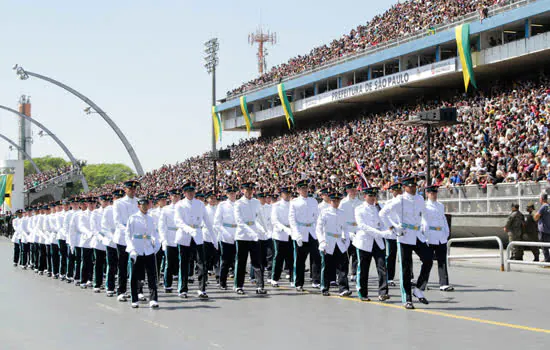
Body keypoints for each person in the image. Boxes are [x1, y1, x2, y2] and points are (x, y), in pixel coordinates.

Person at [380, 176, 433, 310]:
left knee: (428, 259)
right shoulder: (400, 200)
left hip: (417, 235)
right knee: (405, 268)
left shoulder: (420, 199)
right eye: (411, 186)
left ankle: (419, 288)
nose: (413, 188)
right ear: (405, 187)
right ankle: (407, 298)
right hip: (404, 236)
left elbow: (424, 215)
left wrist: (425, 231)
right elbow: (383, 214)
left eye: (415, 186)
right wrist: (393, 227)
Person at [175, 181, 213, 299]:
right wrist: (188, 229)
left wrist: (214, 237)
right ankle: (183, 289)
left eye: (192, 191)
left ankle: (202, 289)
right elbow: (178, 221)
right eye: (188, 191)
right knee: (184, 264)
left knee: (201, 263)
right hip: (185, 235)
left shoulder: (200, 204)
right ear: (184, 193)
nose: (190, 193)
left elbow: (207, 221)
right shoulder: (180, 205)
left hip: (197, 235)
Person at [354, 186, 393, 301]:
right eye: (370, 195)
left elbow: (384, 222)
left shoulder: (379, 208)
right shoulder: (359, 209)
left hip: (378, 242)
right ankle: (362, 292)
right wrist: (380, 233)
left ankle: (383, 292)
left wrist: (389, 231)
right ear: (365, 196)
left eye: (374, 195)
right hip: (365, 241)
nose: (372, 198)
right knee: (364, 268)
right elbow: (362, 226)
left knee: (382, 267)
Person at [233, 182, 268, 295]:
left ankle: (260, 286)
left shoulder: (256, 202)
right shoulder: (238, 203)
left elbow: (260, 217)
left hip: (254, 235)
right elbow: (240, 222)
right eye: (247, 190)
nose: (249, 192)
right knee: (241, 262)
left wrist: (265, 229)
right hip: (242, 236)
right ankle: (238, 285)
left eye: (251, 190)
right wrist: (252, 233)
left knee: (257, 262)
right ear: (243, 191)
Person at [126, 198, 160, 309]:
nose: (145, 207)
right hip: (137, 248)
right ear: (138, 206)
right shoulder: (133, 218)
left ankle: (153, 299)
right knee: (135, 276)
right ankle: (134, 299)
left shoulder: (151, 219)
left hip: (148, 249)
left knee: (152, 276)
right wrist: (131, 249)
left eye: (146, 204)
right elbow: (128, 235)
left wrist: (157, 243)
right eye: (142, 205)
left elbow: (154, 233)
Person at [317, 192, 352, 297]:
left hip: (339, 241)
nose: (336, 203)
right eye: (334, 201)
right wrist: (322, 241)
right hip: (328, 241)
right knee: (327, 266)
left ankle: (343, 289)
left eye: (338, 201)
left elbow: (345, 228)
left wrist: (347, 241)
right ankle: (324, 287)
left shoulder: (342, 213)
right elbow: (319, 229)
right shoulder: (324, 212)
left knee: (343, 267)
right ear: (330, 201)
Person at [289, 179, 321, 292]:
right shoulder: (294, 202)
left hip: (312, 231)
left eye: (305, 188)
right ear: (298, 190)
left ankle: (316, 280)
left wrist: (319, 232)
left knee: (316, 257)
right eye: (302, 188)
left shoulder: (313, 201)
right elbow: (292, 220)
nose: (304, 190)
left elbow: (317, 217)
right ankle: (298, 283)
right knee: (300, 260)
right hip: (301, 232)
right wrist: (296, 234)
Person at [422, 185, 453, 291]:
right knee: (427, 261)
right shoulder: (424, 206)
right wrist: (424, 236)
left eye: (435, 193)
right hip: (430, 236)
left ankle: (444, 283)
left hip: (440, 236)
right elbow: (422, 221)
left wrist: (446, 232)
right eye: (431, 193)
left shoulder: (440, 205)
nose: (434, 195)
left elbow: (443, 219)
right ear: (427, 194)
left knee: (442, 261)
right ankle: (423, 283)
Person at [113, 180, 140, 302]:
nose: (133, 191)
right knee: (122, 265)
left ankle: (137, 291)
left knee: (136, 266)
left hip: (135, 238)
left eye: (134, 189)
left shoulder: (138, 202)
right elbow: (117, 222)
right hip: (123, 238)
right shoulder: (118, 203)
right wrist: (128, 230)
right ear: (126, 190)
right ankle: (121, 291)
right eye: (130, 189)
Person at [214, 185, 238, 290]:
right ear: (227, 194)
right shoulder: (222, 205)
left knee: (238, 261)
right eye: (230, 193)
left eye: (234, 193)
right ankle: (222, 282)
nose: (232, 195)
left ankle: (237, 283)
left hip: (238, 234)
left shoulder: (239, 204)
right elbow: (217, 223)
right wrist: (225, 233)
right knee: (225, 261)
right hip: (225, 235)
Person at [270, 186, 294, 287]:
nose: (288, 195)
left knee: (291, 257)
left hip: (292, 233)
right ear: (281, 195)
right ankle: (275, 278)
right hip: (280, 233)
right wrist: (285, 229)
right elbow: (274, 220)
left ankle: (293, 278)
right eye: (285, 193)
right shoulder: (276, 205)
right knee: (278, 256)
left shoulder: (293, 205)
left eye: (289, 193)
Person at [101, 189, 123, 297]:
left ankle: (121, 289)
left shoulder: (124, 209)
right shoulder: (108, 210)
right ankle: (110, 287)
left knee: (122, 266)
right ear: (113, 198)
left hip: (122, 241)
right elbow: (104, 227)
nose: (118, 200)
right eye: (117, 198)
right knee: (111, 265)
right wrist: (113, 237)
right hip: (111, 241)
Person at [380, 182, 402, 287]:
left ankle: (409, 277)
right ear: (392, 191)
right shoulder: (389, 203)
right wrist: (392, 227)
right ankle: (389, 278)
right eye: (395, 190)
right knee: (391, 256)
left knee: (405, 257)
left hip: (404, 233)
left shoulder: (405, 201)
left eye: (399, 190)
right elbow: (385, 217)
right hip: (393, 232)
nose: (398, 192)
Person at [339, 182, 362, 281]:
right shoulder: (343, 203)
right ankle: (343, 273)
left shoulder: (360, 202)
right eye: (351, 190)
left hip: (357, 229)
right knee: (345, 253)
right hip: (347, 230)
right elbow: (340, 217)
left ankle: (354, 272)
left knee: (356, 253)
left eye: (354, 189)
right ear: (347, 191)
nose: (353, 192)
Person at [91, 195, 109, 293]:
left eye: (107, 201)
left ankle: (108, 285)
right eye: (104, 201)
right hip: (99, 241)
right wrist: (102, 238)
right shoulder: (95, 213)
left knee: (110, 265)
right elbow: (94, 229)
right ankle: (97, 284)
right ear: (100, 201)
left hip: (110, 241)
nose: (105, 202)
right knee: (99, 264)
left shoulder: (111, 212)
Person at [202, 191, 220, 285]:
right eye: (211, 198)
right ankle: (204, 279)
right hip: (206, 236)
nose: (213, 200)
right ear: (207, 199)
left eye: (214, 198)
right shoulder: (204, 209)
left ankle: (218, 278)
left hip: (216, 236)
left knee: (217, 259)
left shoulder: (218, 209)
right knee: (205, 259)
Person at [534, 193, 550, 263]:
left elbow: (536, 216)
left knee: (544, 246)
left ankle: (547, 261)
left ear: (541, 199)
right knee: (547, 245)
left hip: (543, 230)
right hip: (549, 229)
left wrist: (535, 216)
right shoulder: (549, 206)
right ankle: (548, 259)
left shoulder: (543, 206)